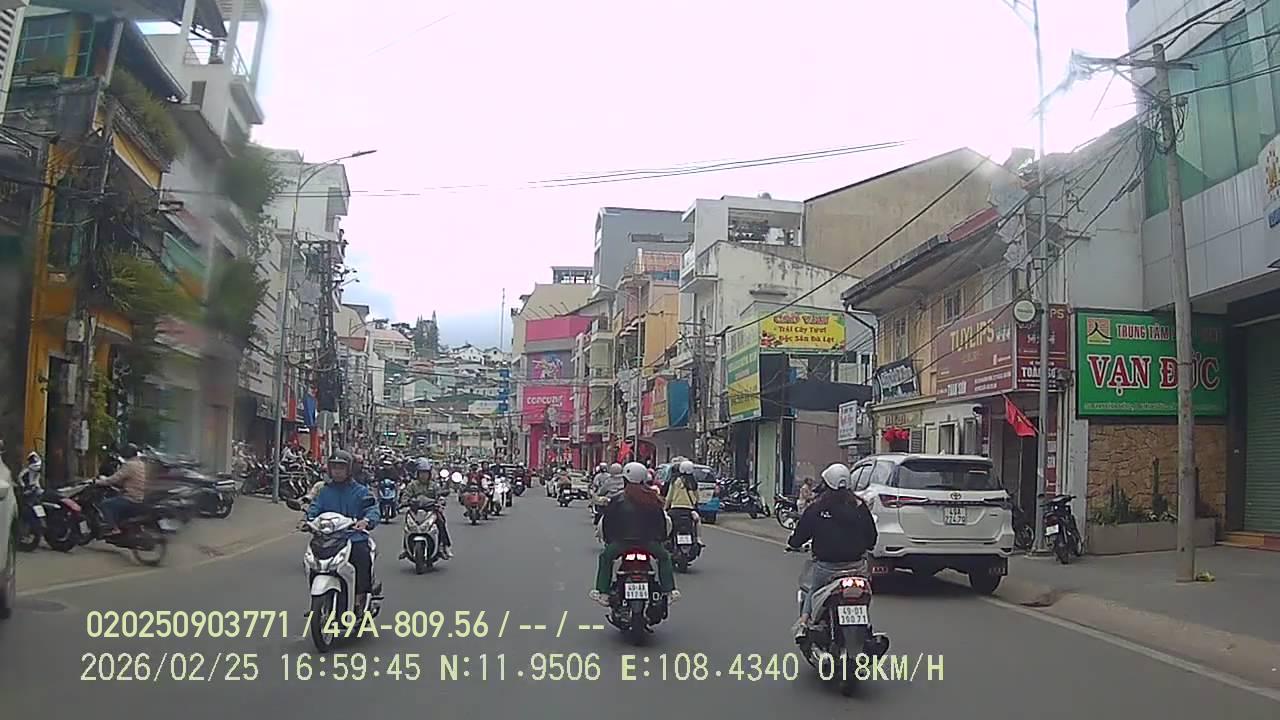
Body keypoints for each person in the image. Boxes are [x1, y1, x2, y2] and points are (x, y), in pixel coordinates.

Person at [786, 463, 878, 642]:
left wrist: (793, 543)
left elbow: (799, 536)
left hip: (827, 569)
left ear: (826, 484)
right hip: (857, 568)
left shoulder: (817, 508)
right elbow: (872, 538)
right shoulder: (860, 506)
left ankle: (803, 624)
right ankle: (866, 630)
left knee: (812, 589)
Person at [591, 462, 678, 607]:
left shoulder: (617, 499)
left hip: (622, 543)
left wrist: (610, 541)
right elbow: (662, 523)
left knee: (605, 557)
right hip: (649, 543)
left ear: (625, 479)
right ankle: (669, 591)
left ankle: (603, 592)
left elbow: (607, 523)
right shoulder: (653, 499)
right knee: (664, 557)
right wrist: (660, 540)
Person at [307, 451, 380, 603]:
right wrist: (308, 520)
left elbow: (372, 508)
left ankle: (360, 598)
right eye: (334, 467)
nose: (337, 471)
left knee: (362, 556)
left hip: (353, 537)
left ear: (349, 469)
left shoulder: (361, 491)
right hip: (328, 538)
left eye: (341, 468)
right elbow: (314, 508)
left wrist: (366, 521)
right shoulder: (324, 491)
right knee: (313, 562)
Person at [402, 458, 452, 559]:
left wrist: (440, 502)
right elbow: (405, 496)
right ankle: (406, 548)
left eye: (425, 473)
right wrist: (405, 502)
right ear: (417, 474)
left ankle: (443, 546)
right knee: (408, 525)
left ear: (429, 474)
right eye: (421, 473)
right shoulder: (412, 485)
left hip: (431, 510)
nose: (423, 475)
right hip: (415, 511)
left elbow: (440, 495)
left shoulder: (434, 485)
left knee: (441, 521)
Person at [96, 444, 148, 533]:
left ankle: (113, 528)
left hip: (130, 497)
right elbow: (124, 479)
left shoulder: (130, 465)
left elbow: (115, 478)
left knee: (105, 504)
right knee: (114, 496)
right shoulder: (140, 463)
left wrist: (99, 482)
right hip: (138, 496)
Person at [664, 460, 704, 544]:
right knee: (697, 521)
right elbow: (697, 498)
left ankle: (666, 538)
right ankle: (698, 539)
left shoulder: (674, 481)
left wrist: (665, 508)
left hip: (675, 510)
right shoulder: (693, 483)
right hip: (689, 511)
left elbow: (669, 497)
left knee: (667, 521)